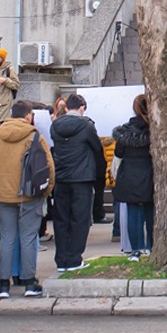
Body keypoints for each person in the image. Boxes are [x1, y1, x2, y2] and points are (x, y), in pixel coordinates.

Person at [0, 100, 55, 299]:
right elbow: (49, 167)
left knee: (7, 239)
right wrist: (45, 192)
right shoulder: (34, 136)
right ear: (28, 116)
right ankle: (29, 282)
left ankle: (3, 284)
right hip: (29, 194)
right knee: (28, 238)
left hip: (4, 195)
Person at [50, 93, 105, 272]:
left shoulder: (55, 125)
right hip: (82, 177)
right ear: (82, 108)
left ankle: (61, 259)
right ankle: (74, 258)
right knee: (80, 219)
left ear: (67, 108)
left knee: (61, 219)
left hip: (61, 177)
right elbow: (97, 149)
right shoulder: (87, 126)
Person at [112, 94, 154, 262]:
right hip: (150, 174)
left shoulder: (125, 132)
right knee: (151, 213)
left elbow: (118, 154)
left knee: (133, 213)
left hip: (129, 175)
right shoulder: (155, 130)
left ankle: (135, 250)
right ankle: (152, 246)